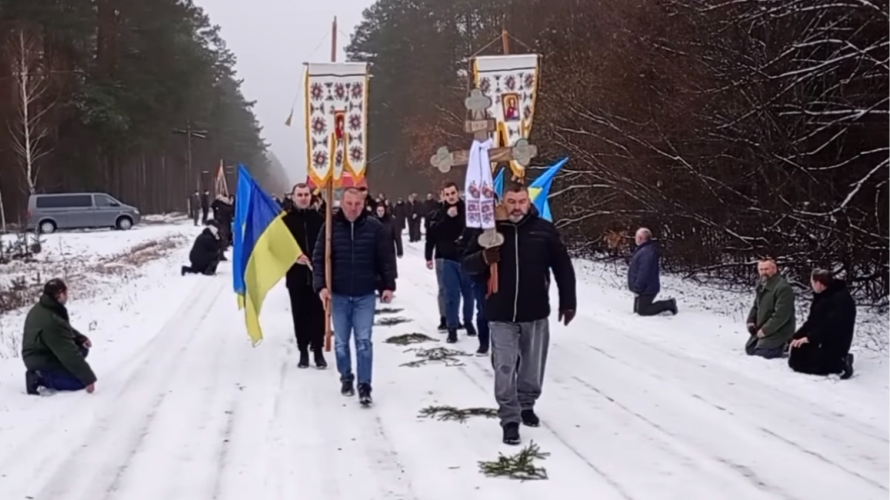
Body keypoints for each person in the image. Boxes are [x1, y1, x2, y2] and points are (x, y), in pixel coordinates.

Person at [464, 184, 576, 445]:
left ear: (529, 202)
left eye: (521, 201)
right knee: (504, 365)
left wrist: (568, 301)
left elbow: (563, 267)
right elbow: (467, 263)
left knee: (531, 367)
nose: (516, 207)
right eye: (511, 201)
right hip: (500, 311)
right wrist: (483, 258)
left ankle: (526, 404)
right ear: (503, 201)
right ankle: (510, 418)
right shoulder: (489, 229)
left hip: (534, 310)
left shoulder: (543, 230)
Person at [313, 187, 397, 406]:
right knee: (341, 343)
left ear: (364, 204)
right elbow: (319, 258)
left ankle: (365, 385)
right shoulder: (330, 227)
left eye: (357, 204)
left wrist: (388, 285)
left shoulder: (374, 227)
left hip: (364, 294)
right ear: (342, 203)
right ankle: (346, 376)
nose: (353, 208)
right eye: (349, 203)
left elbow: (386, 258)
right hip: (338, 294)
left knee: (363, 342)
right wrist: (321, 286)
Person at [22, 279, 97, 395]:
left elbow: (63, 328)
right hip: (38, 358)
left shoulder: (48, 306)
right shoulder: (50, 320)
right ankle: (38, 376)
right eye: (66, 292)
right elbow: (68, 352)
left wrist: (79, 337)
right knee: (79, 383)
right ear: (59, 294)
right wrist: (88, 378)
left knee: (82, 348)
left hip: (47, 349)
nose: (68, 295)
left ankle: (62, 371)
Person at [282, 183, 327, 369]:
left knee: (318, 314)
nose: (303, 198)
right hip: (296, 275)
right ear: (293, 197)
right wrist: (292, 257)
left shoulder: (320, 219)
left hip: (317, 276)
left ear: (311, 197)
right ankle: (303, 352)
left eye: (306, 194)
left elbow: (328, 244)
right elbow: (277, 247)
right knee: (299, 314)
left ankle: (318, 351)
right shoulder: (285, 222)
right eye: (299, 194)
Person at [426, 182, 474, 342]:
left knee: (468, 293)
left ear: (458, 193)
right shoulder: (439, 212)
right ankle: (451, 327)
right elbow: (433, 233)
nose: (451, 197)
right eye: (447, 194)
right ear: (443, 196)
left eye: (453, 193)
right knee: (450, 294)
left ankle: (468, 322)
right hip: (447, 258)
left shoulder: (468, 209)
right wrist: (447, 217)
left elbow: (473, 229)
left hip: (466, 258)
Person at [788, 269, 856, 378]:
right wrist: (797, 336)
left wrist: (810, 338)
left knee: (800, 364)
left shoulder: (840, 300)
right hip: (820, 337)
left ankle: (841, 363)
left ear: (818, 283)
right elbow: (812, 321)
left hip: (835, 341)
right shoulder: (821, 296)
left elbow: (833, 327)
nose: (811, 286)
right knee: (796, 353)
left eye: (812, 283)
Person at [745, 258, 796, 359]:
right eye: (761, 269)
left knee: (761, 354)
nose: (764, 272)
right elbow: (756, 306)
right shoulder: (762, 285)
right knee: (750, 350)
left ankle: (787, 344)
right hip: (763, 326)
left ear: (774, 269)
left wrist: (765, 330)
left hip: (780, 330)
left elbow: (781, 315)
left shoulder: (783, 288)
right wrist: (750, 321)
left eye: (766, 269)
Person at [627, 228, 677, 316]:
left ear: (640, 238)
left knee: (643, 311)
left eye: (636, 236)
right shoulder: (643, 250)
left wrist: (638, 288)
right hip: (643, 287)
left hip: (647, 288)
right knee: (637, 311)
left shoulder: (647, 253)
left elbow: (644, 272)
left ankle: (669, 304)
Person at [459, 227, 491, 356]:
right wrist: (482, 258)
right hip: (482, 277)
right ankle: (484, 342)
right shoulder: (477, 228)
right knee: (483, 310)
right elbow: (466, 257)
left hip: (507, 279)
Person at [374, 204, 403, 295]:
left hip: (388, 250)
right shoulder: (373, 221)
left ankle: (389, 289)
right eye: (378, 211)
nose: (380, 213)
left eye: (382, 211)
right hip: (376, 250)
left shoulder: (391, 221)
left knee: (389, 271)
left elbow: (397, 237)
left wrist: (399, 250)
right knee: (377, 270)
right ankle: (379, 288)